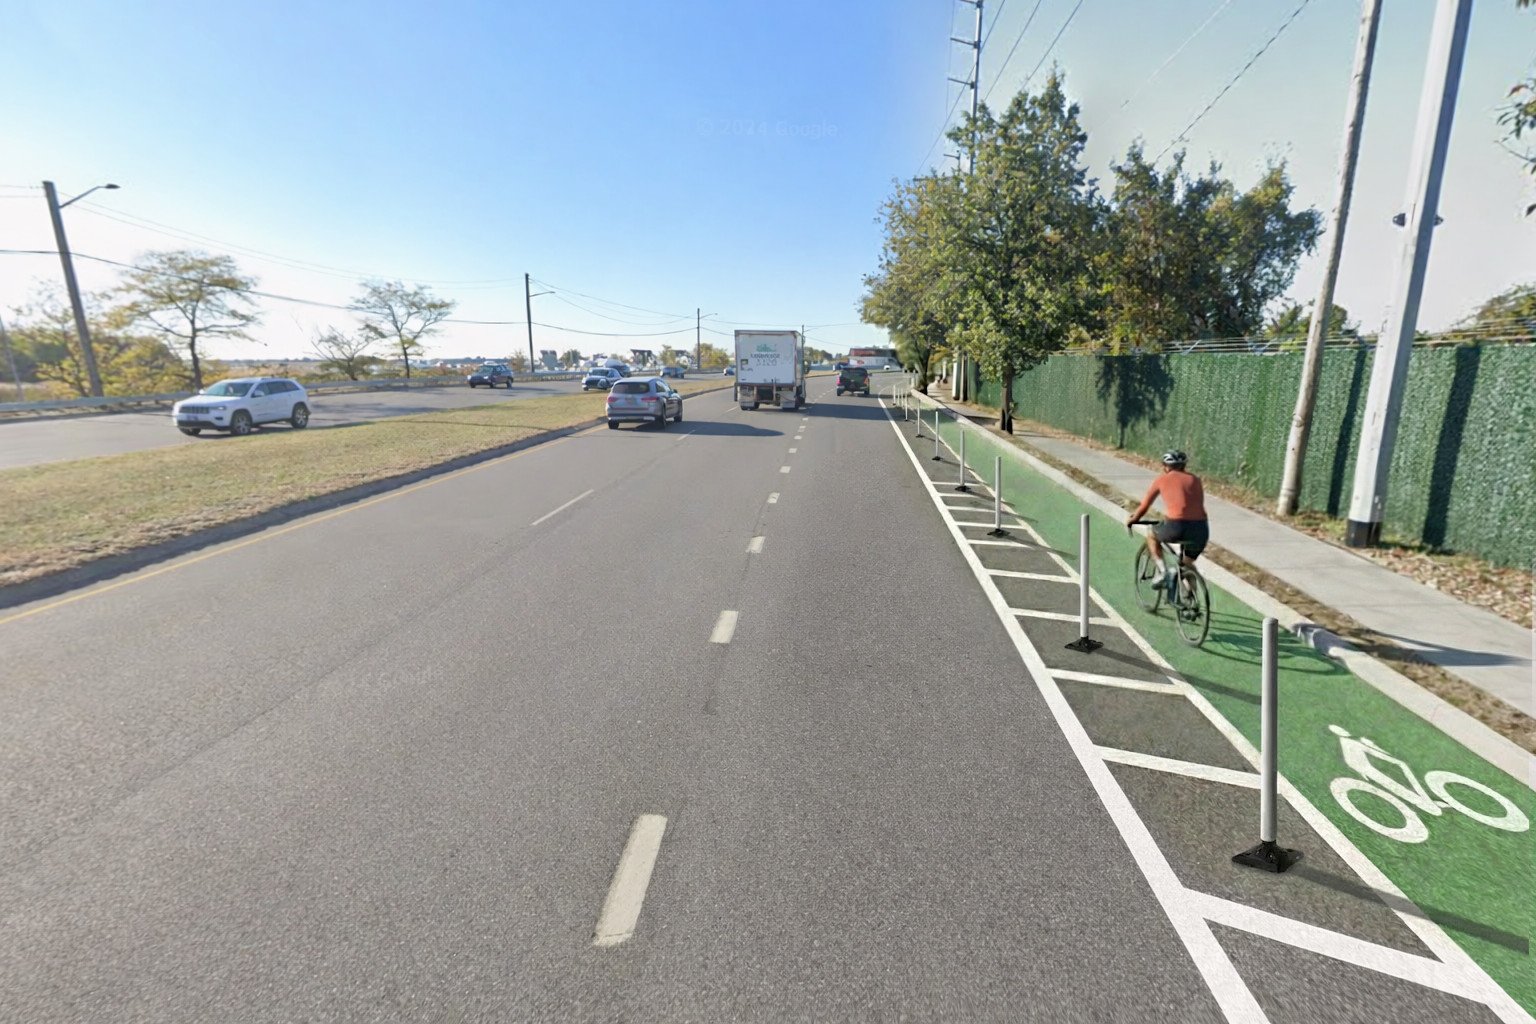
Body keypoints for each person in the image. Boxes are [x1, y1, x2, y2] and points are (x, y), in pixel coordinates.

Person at [1126, 450, 1209, 598]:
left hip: (1177, 526)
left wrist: (1133, 519)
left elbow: (1144, 506)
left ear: (1165, 466)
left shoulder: (1162, 480)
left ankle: (1163, 572)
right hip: (1201, 530)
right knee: (1187, 563)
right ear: (1184, 465)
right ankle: (1191, 599)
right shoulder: (1195, 480)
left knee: (1152, 534)